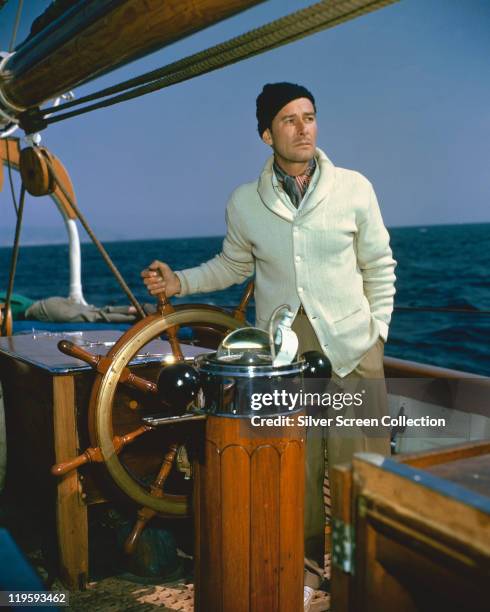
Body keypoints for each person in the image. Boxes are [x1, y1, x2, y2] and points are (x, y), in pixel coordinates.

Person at [142, 82, 396, 611]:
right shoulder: (244, 202)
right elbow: (232, 266)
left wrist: (378, 333)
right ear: (266, 134)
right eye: (289, 120)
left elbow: (380, 267)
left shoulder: (355, 188)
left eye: (310, 116)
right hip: (285, 360)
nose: (304, 128)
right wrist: (178, 282)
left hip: (353, 349)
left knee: (360, 473)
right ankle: (306, 580)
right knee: (295, 473)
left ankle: (355, 578)